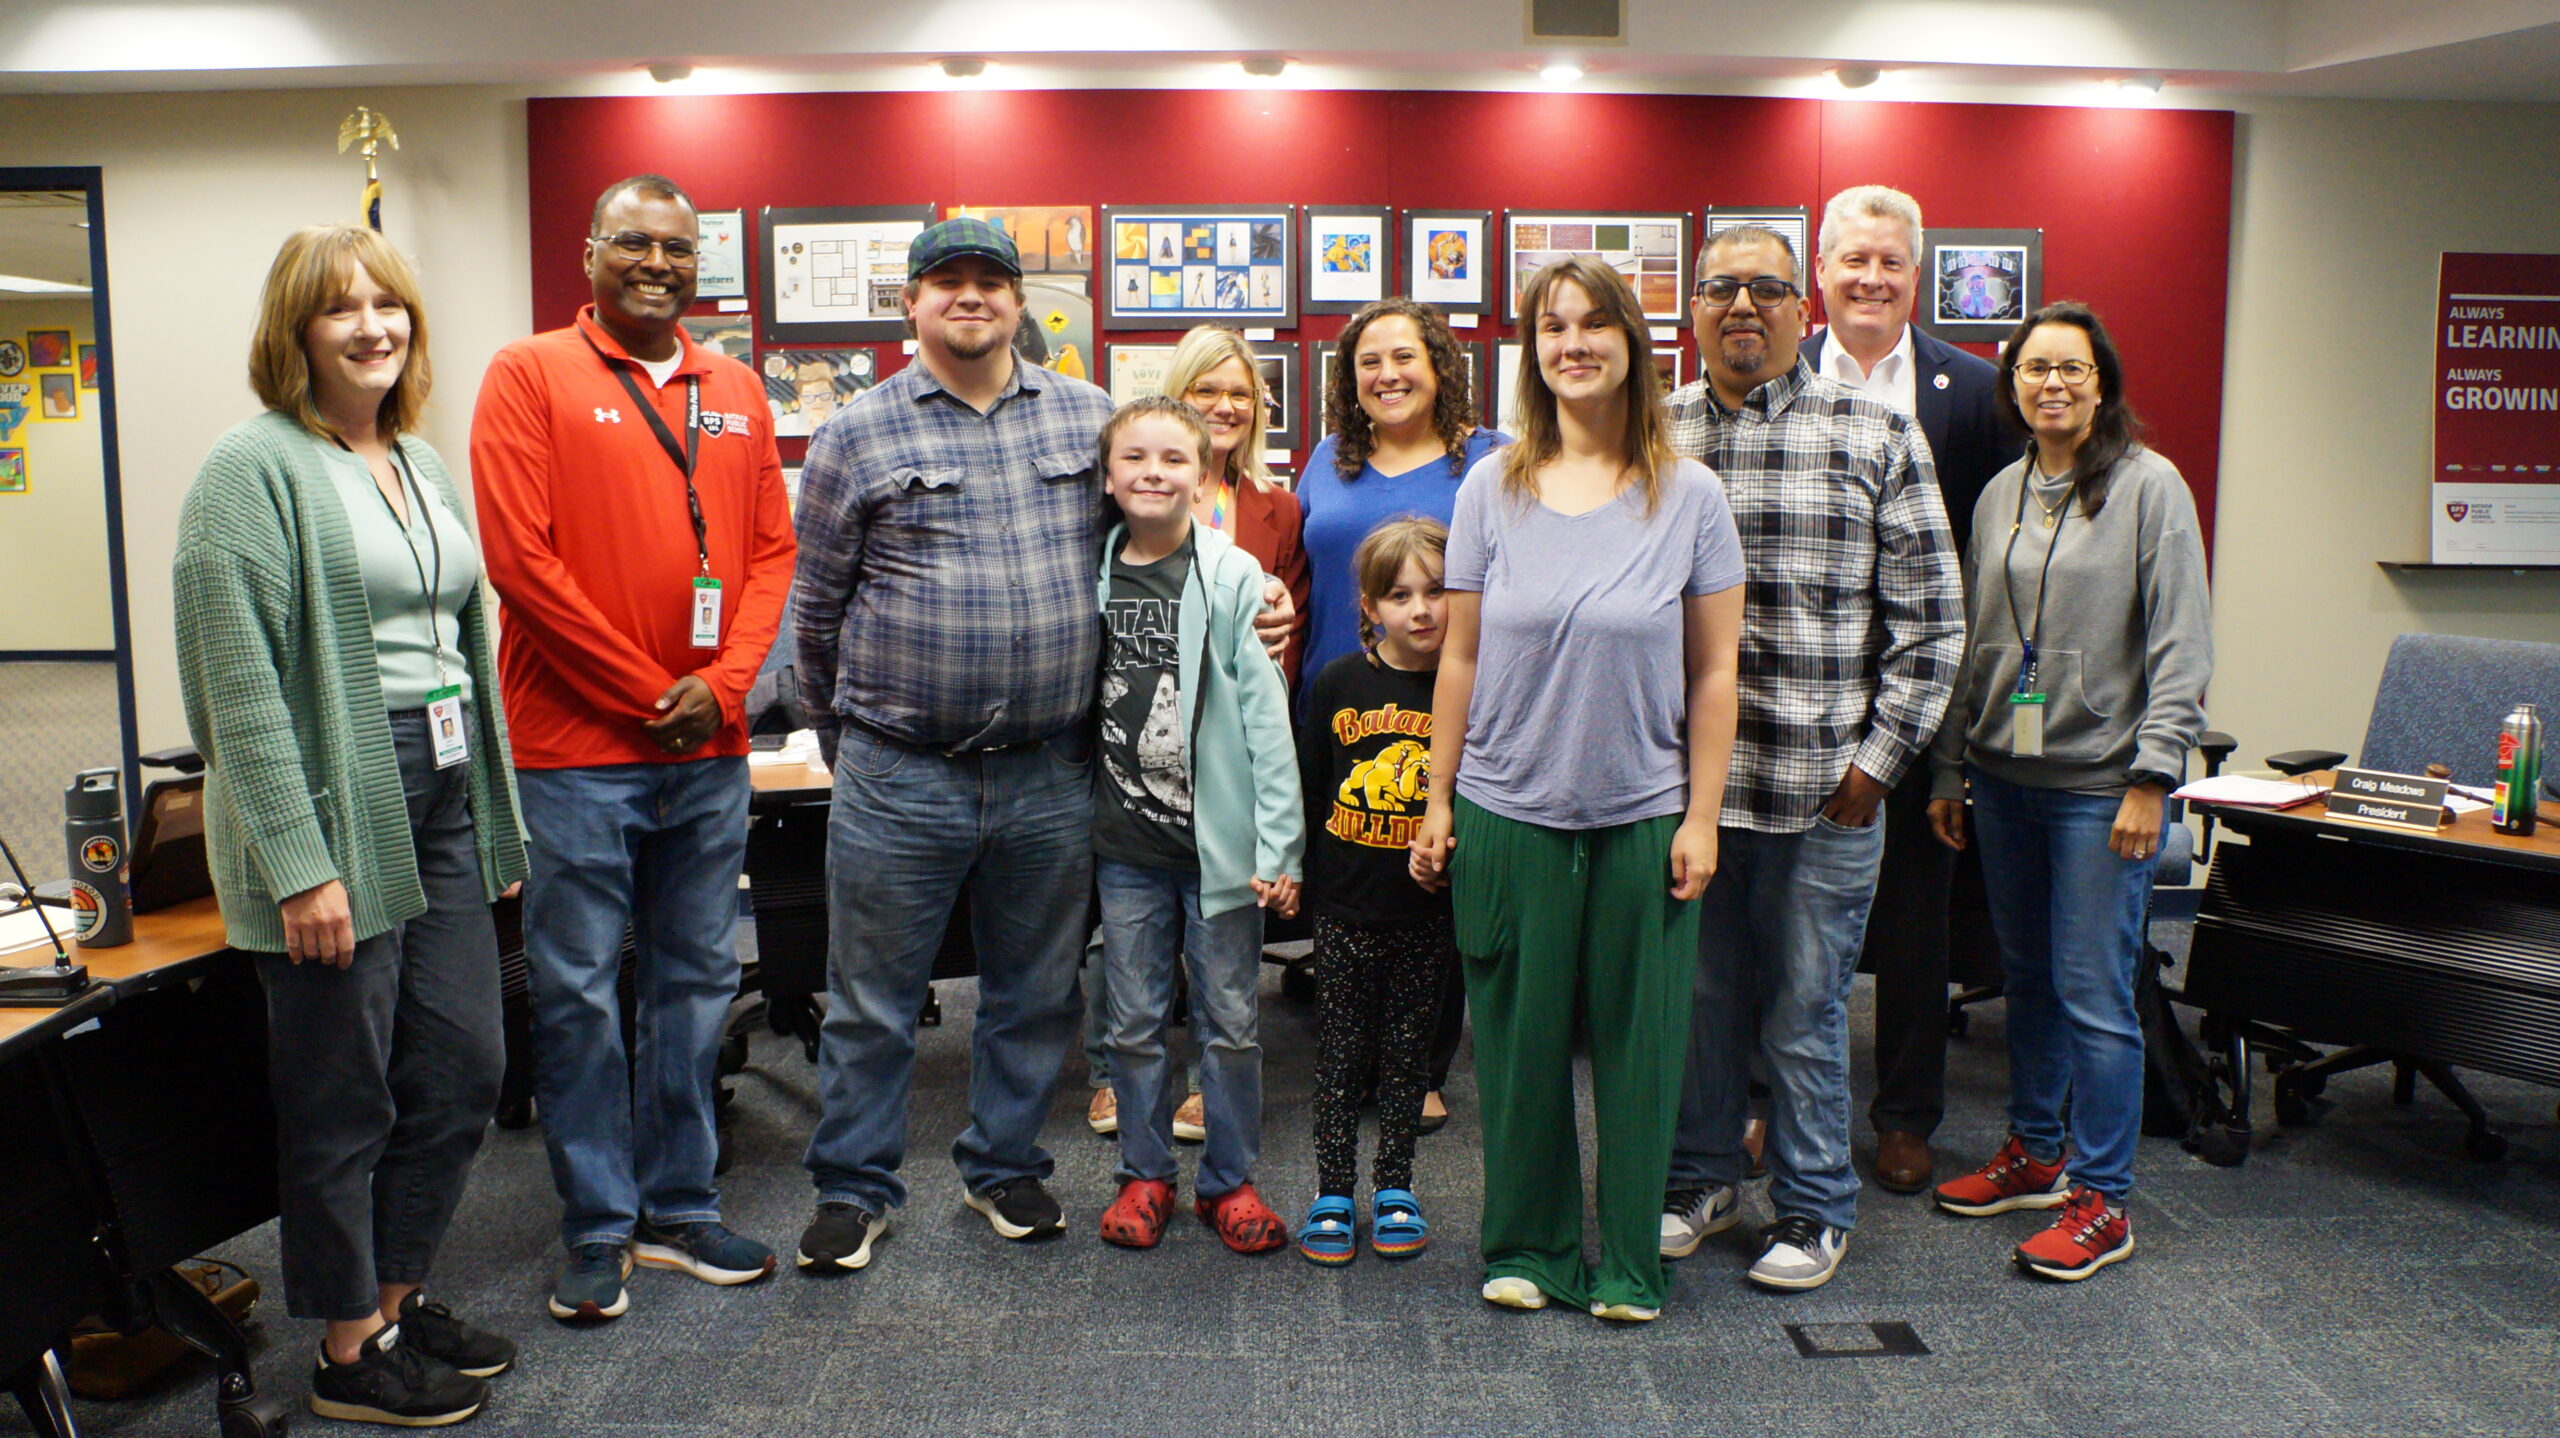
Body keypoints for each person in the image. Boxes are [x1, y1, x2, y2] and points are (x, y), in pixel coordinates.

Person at [789, 218, 1297, 1273]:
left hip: (1048, 773)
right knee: (873, 1000)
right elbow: (816, 613)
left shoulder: (1085, 417)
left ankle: (1005, 1166)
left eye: (991, 282)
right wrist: (851, 746)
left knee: (1033, 995)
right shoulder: (857, 431)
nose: (969, 298)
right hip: (900, 768)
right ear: (911, 305)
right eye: (946, 283)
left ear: (1021, 302)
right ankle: (854, 1189)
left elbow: (1158, 535)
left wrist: (1256, 594)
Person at [174, 223, 525, 1426]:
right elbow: (238, 683)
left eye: (390, 304)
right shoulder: (251, 467)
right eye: (341, 308)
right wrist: (298, 863)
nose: (372, 325)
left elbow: (460, 649)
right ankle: (343, 1350)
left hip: (438, 786)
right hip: (334, 794)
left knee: (467, 1060)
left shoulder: (417, 462)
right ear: (296, 332)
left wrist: (493, 817)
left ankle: (393, 1291)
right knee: (345, 1089)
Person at [471, 174, 797, 1320]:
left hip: (704, 755)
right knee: (574, 993)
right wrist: (648, 687)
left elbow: (769, 555)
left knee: (697, 984)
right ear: (591, 254)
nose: (657, 263)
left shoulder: (738, 388)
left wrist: (719, 688)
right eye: (634, 243)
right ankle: (597, 1225)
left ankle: (679, 1205)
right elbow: (521, 563)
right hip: (576, 750)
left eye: (677, 247)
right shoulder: (528, 374)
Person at [1411, 256, 1746, 1323]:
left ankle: (1629, 1266)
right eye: (1551, 326)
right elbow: (1456, 657)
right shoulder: (1489, 487)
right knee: (1514, 1045)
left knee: (1641, 1053)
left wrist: (1700, 814)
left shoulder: (1688, 493)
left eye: (1593, 323)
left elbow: (1714, 670)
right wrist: (1437, 797)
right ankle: (1529, 1246)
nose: (1572, 343)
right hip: (1508, 809)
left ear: (1631, 344)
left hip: (1642, 815)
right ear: (1532, 351)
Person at [1661, 225, 1963, 1292]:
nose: (1742, 306)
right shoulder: (1654, 437)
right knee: (1697, 1005)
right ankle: (1699, 1180)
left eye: (1766, 289)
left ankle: (1813, 1206)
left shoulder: (1875, 431)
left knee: (1804, 1008)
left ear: (1803, 310)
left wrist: (1877, 765)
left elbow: (1932, 624)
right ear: (1692, 311)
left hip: (1823, 792)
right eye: (1720, 289)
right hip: (1687, 798)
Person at [1926, 301, 2212, 1282]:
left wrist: (2152, 777)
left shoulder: (2149, 489)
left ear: (2102, 384)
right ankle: (2035, 1153)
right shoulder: (1999, 492)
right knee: (2029, 979)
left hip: (2102, 790)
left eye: (2072, 369)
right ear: (2012, 385)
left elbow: (2183, 644)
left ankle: (2103, 1197)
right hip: (2004, 781)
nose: (2052, 384)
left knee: (2094, 993)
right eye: (2034, 368)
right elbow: (1970, 642)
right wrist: (1953, 766)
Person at [1803, 185, 2013, 1195]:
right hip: (1795, 690)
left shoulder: (1972, 393)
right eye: (1853, 260)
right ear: (1821, 271)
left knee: (1915, 920)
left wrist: (1964, 740)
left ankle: (1903, 1116)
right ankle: (1767, 1100)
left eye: (1890, 263)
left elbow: (1997, 566)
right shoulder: (1775, 377)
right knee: (1778, 913)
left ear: (1915, 276)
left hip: (1925, 693)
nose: (1871, 279)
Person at [1083, 323, 1312, 1143]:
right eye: (1135, 459)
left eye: (1173, 460)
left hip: (1217, 840)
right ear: (1106, 476)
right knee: (1135, 1019)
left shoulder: (1235, 567)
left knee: (1229, 1019)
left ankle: (1231, 1178)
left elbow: (1267, 722)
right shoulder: (1093, 567)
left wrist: (1280, 847)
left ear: (1199, 469)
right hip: (1126, 843)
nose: (1154, 472)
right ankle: (1141, 1176)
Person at [1300, 297, 1511, 1131]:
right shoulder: (1326, 460)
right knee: (1349, 874)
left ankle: (1423, 1063)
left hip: (1453, 699)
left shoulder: (1489, 458)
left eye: (1404, 357)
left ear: (1440, 366)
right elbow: (1299, 560)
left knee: (1435, 885)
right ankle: (1349, 1048)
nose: (1386, 375)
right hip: (1335, 693)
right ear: (1350, 380)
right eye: (1368, 362)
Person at [1293, 516, 1454, 1266]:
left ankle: (1394, 1185)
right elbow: (1310, 786)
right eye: (1400, 595)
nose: (1420, 610)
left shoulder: (1466, 687)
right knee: (1339, 1053)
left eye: (1437, 591)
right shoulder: (1337, 682)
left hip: (1426, 910)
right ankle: (1332, 1189)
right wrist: (1296, 872)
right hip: (1346, 905)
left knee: (1407, 1059)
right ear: (1369, 606)